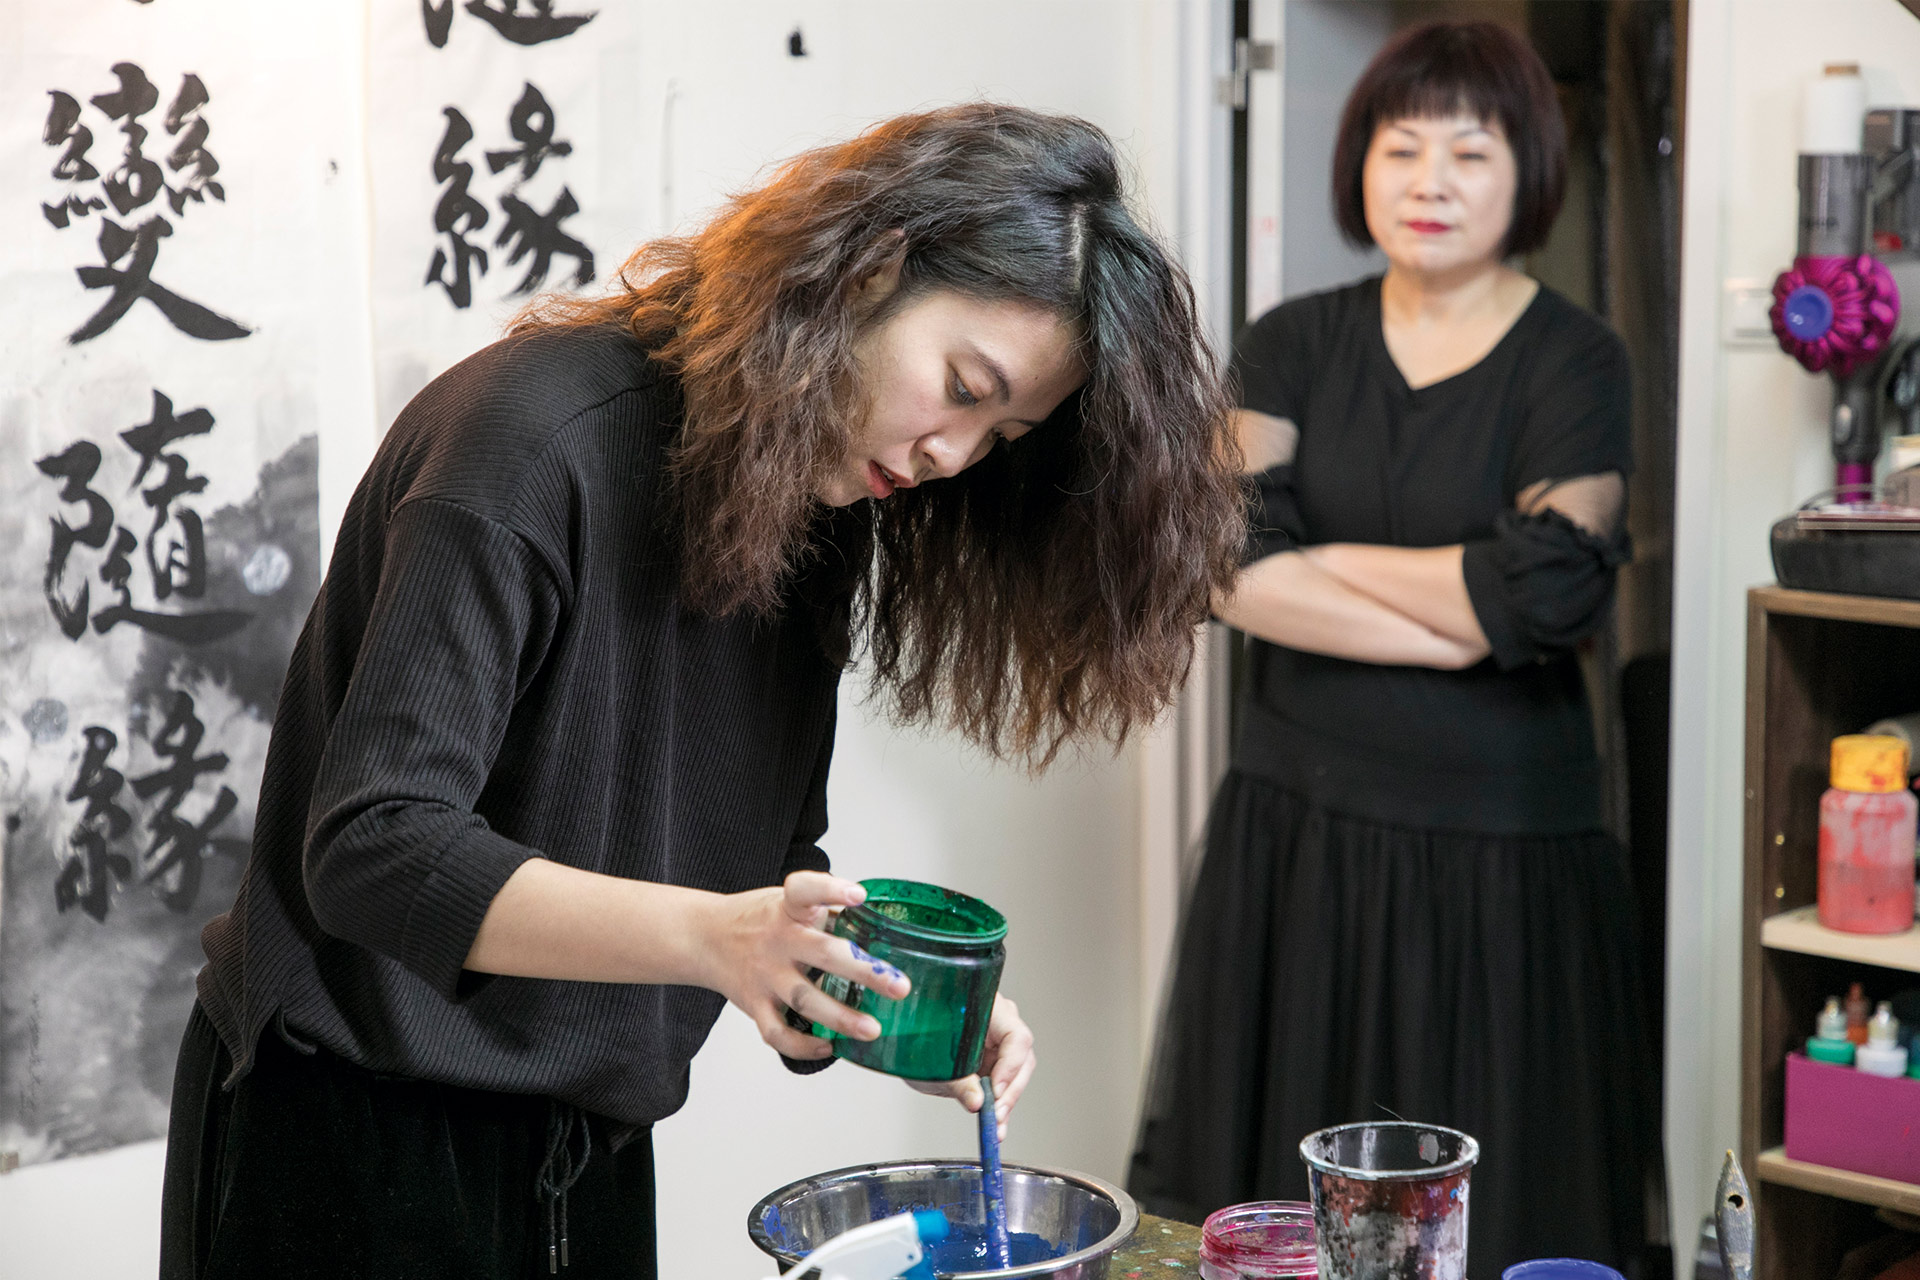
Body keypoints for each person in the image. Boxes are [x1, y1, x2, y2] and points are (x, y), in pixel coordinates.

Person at [160, 103, 1244, 1280]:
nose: (954, 453)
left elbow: (769, 859)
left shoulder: (820, 509)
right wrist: (719, 939)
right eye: (963, 385)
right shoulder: (529, 442)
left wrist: (884, 999)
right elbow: (373, 844)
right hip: (348, 1129)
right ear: (868, 273)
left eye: (1004, 433)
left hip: (586, 1149)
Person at [1129, 22, 1657, 1275]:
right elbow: (1219, 561)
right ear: (1358, 162)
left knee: (1501, 1210)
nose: (1431, 180)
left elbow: (1548, 592)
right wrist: (1467, 613)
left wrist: (1317, 564)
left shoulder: (1578, 357)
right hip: (1298, 838)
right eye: (1401, 145)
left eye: (1470, 152)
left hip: (1505, 855)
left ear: (1527, 174)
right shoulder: (1291, 339)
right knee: (1286, 1210)